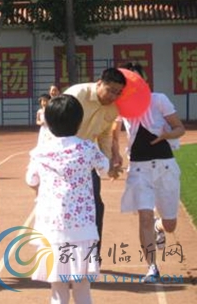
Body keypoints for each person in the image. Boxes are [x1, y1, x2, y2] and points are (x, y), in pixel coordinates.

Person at [26, 94, 110, 304]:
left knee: (58, 288)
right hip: (82, 227)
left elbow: (31, 179)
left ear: (48, 122)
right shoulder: (88, 148)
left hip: (52, 228)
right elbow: (105, 168)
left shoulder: (40, 152)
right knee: (82, 287)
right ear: (79, 121)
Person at [116, 63, 185, 283]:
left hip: (165, 166)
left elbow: (179, 128)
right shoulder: (121, 106)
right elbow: (113, 130)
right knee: (144, 216)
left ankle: (160, 226)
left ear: (144, 81)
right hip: (138, 169)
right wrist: (114, 154)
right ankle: (152, 267)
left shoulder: (158, 99)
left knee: (169, 224)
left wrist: (166, 136)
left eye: (136, 80)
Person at [64, 68, 126, 257]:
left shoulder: (113, 108)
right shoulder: (76, 95)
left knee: (95, 207)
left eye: (118, 92)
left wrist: (108, 164)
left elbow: (105, 134)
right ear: (99, 83)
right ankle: (65, 255)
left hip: (86, 163)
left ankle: (92, 255)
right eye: (110, 90)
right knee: (66, 209)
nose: (113, 96)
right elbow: (55, 125)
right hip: (63, 163)